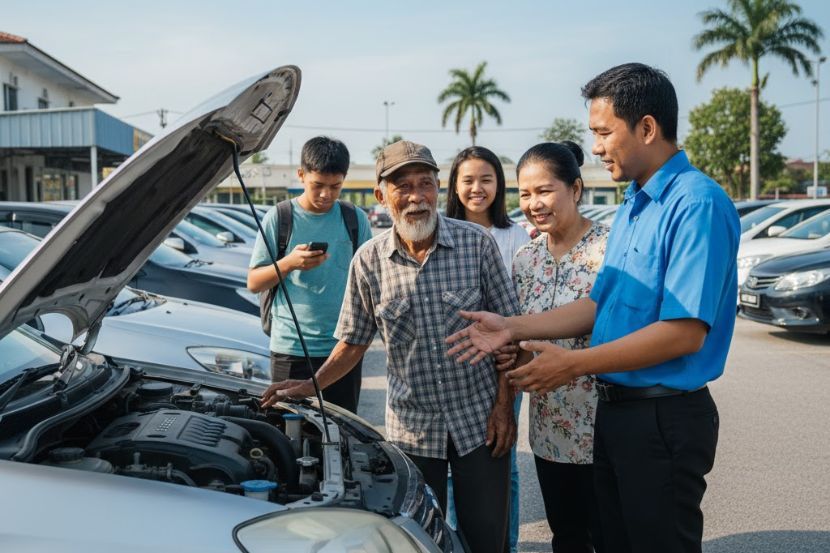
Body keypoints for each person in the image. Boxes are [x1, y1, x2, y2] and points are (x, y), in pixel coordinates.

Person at [445, 63, 740, 553]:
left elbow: (685, 332)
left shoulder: (696, 204)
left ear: (646, 128)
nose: (596, 147)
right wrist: (511, 327)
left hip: (663, 415)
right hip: (616, 415)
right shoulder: (634, 206)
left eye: (604, 133)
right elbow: (597, 303)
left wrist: (574, 365)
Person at [263, 140, 519, 553]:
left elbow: (511, 334)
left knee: (487, 540)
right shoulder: (368, 261)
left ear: (439, 189)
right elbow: (353, 342)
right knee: (417, 542)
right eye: (403, 187)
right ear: (382, 195)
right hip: (412, 434)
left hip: (480, 423)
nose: (416, 197)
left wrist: (505, 407)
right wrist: (308, 386)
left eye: (425, 184)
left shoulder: (478, 245)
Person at [512, 141, 608, 553]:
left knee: (610, 537)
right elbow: (517, 341)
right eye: (525, 194)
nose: (534, 203)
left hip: (607, 425)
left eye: (545, 190)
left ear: (576, 189)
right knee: (566, 538)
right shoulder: (524, 259)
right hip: (551, 431)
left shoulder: (613, 248)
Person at [444, 146, 530, 553]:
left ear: (499, 184)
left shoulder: (517, 237)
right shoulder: (440, 231)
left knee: (502, 462)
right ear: (454, 186)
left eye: (486, 179)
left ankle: (503, 544)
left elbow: (519, 306)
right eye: (468, 180)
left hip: (503, 365)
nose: (477, 188)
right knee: (452, 469)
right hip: (455, 366)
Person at [247, 136, 372, 413]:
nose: (326, 194)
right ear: (301, 175)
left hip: (342, 349)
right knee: (291, 432)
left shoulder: (355, 219)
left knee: (343, 432)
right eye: (318, 186)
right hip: (291, 347)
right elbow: (254, 282)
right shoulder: (279, 218)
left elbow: (370, 281)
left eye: (335, 187)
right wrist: (289, 262)